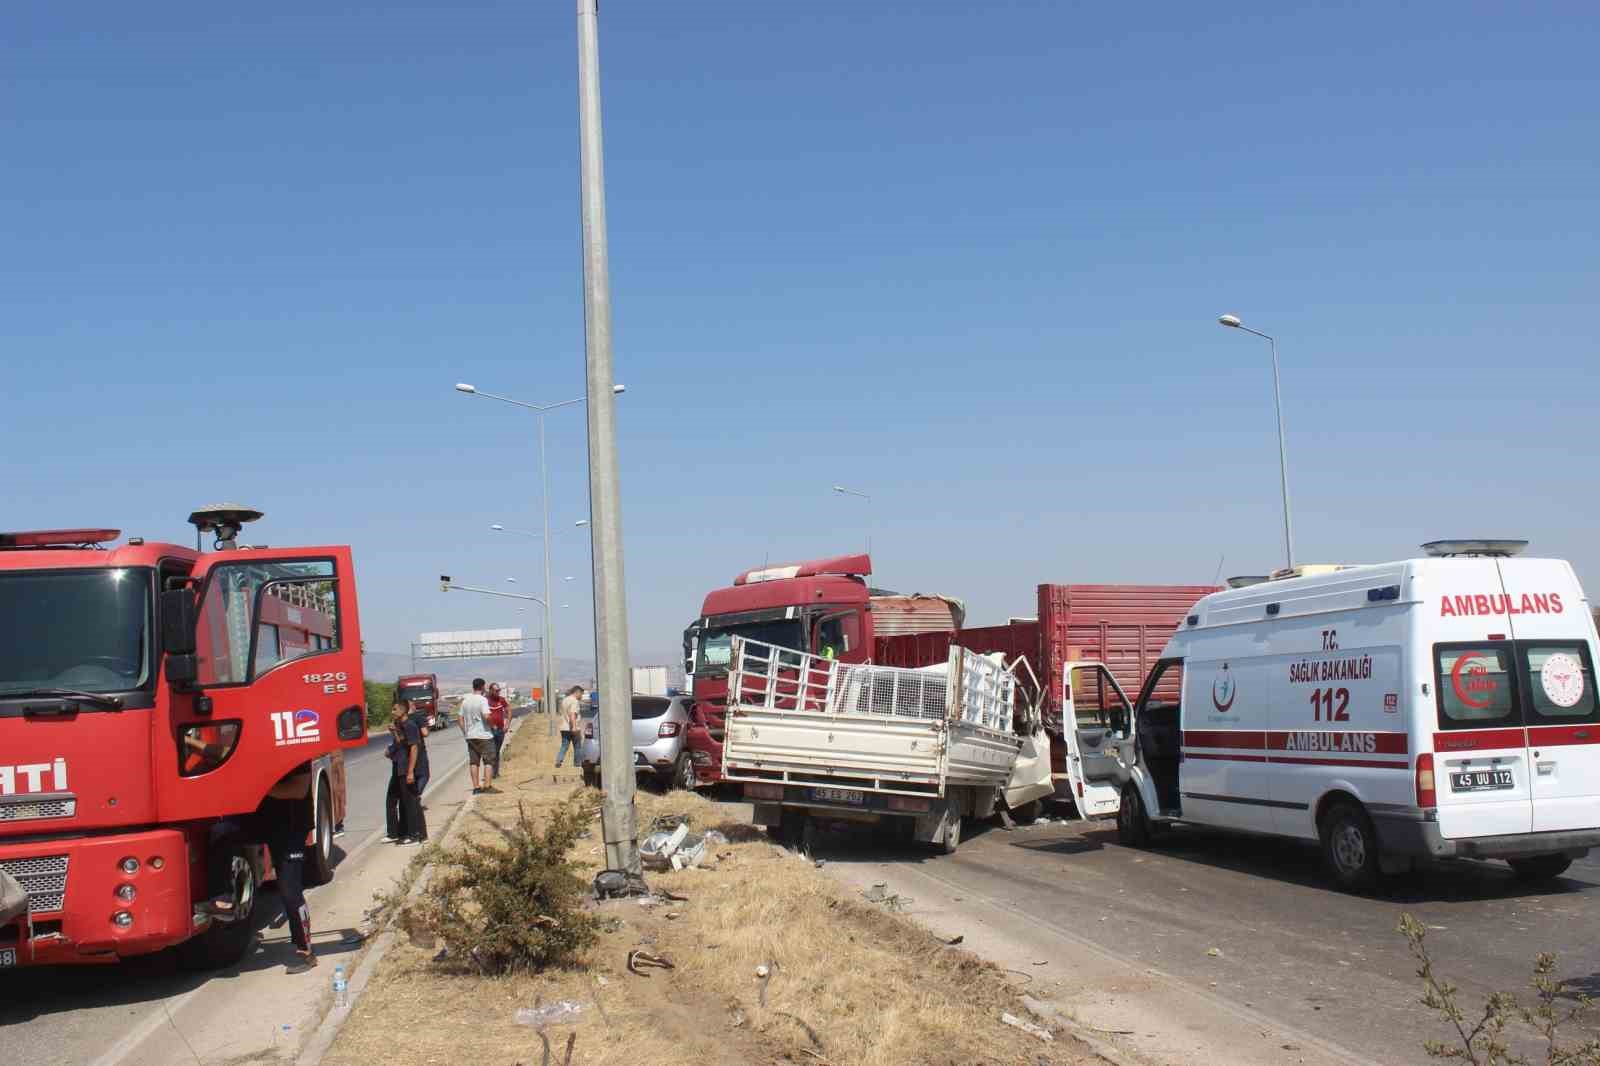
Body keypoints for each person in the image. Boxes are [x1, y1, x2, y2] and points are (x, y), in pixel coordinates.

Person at [385, 701, 428, 844]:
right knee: (406, 802)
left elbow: (414, 748)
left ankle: (417, 835)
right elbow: (401, 744)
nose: (392, 712)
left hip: (407, 768)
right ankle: (407, 833)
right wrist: (394, 733)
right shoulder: (402, 726)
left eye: (394, 709)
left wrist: (410, 772)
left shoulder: (410, 725)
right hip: (401, 767)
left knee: (412, 802)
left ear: (403, 711)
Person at [459, 678, 496, 794]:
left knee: (474, 762)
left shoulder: (466, 701)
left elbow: (460, 718)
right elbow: (486, 716)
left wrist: (465, 732)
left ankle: (476, 787)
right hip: (484, 735)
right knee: (488, 761)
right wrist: (493, 725)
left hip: (471, 736)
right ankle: (487, 786)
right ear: (482, 687)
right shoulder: (482, 700)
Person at [555, 685, 584, 768]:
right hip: (572, 727)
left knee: (564, 746)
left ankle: (559, 761)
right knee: (577, 746)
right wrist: (574, 727)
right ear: (577, 692)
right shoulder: (574, 701)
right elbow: (572, 715)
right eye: (581, 694)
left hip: (564, 727)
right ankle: (577, 764)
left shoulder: (565, 700)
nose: (581, 696)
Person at [485, 683, 509, 780]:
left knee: (497, 751)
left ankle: (496, 772)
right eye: (496, 690)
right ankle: (490, 773)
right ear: (490, 690)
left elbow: (509, 711)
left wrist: (507, 724)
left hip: (500, 730)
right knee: (491, 751)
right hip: (489, 730)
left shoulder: (501, 700)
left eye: (499, 690)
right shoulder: (485, 701)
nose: (498, 692)